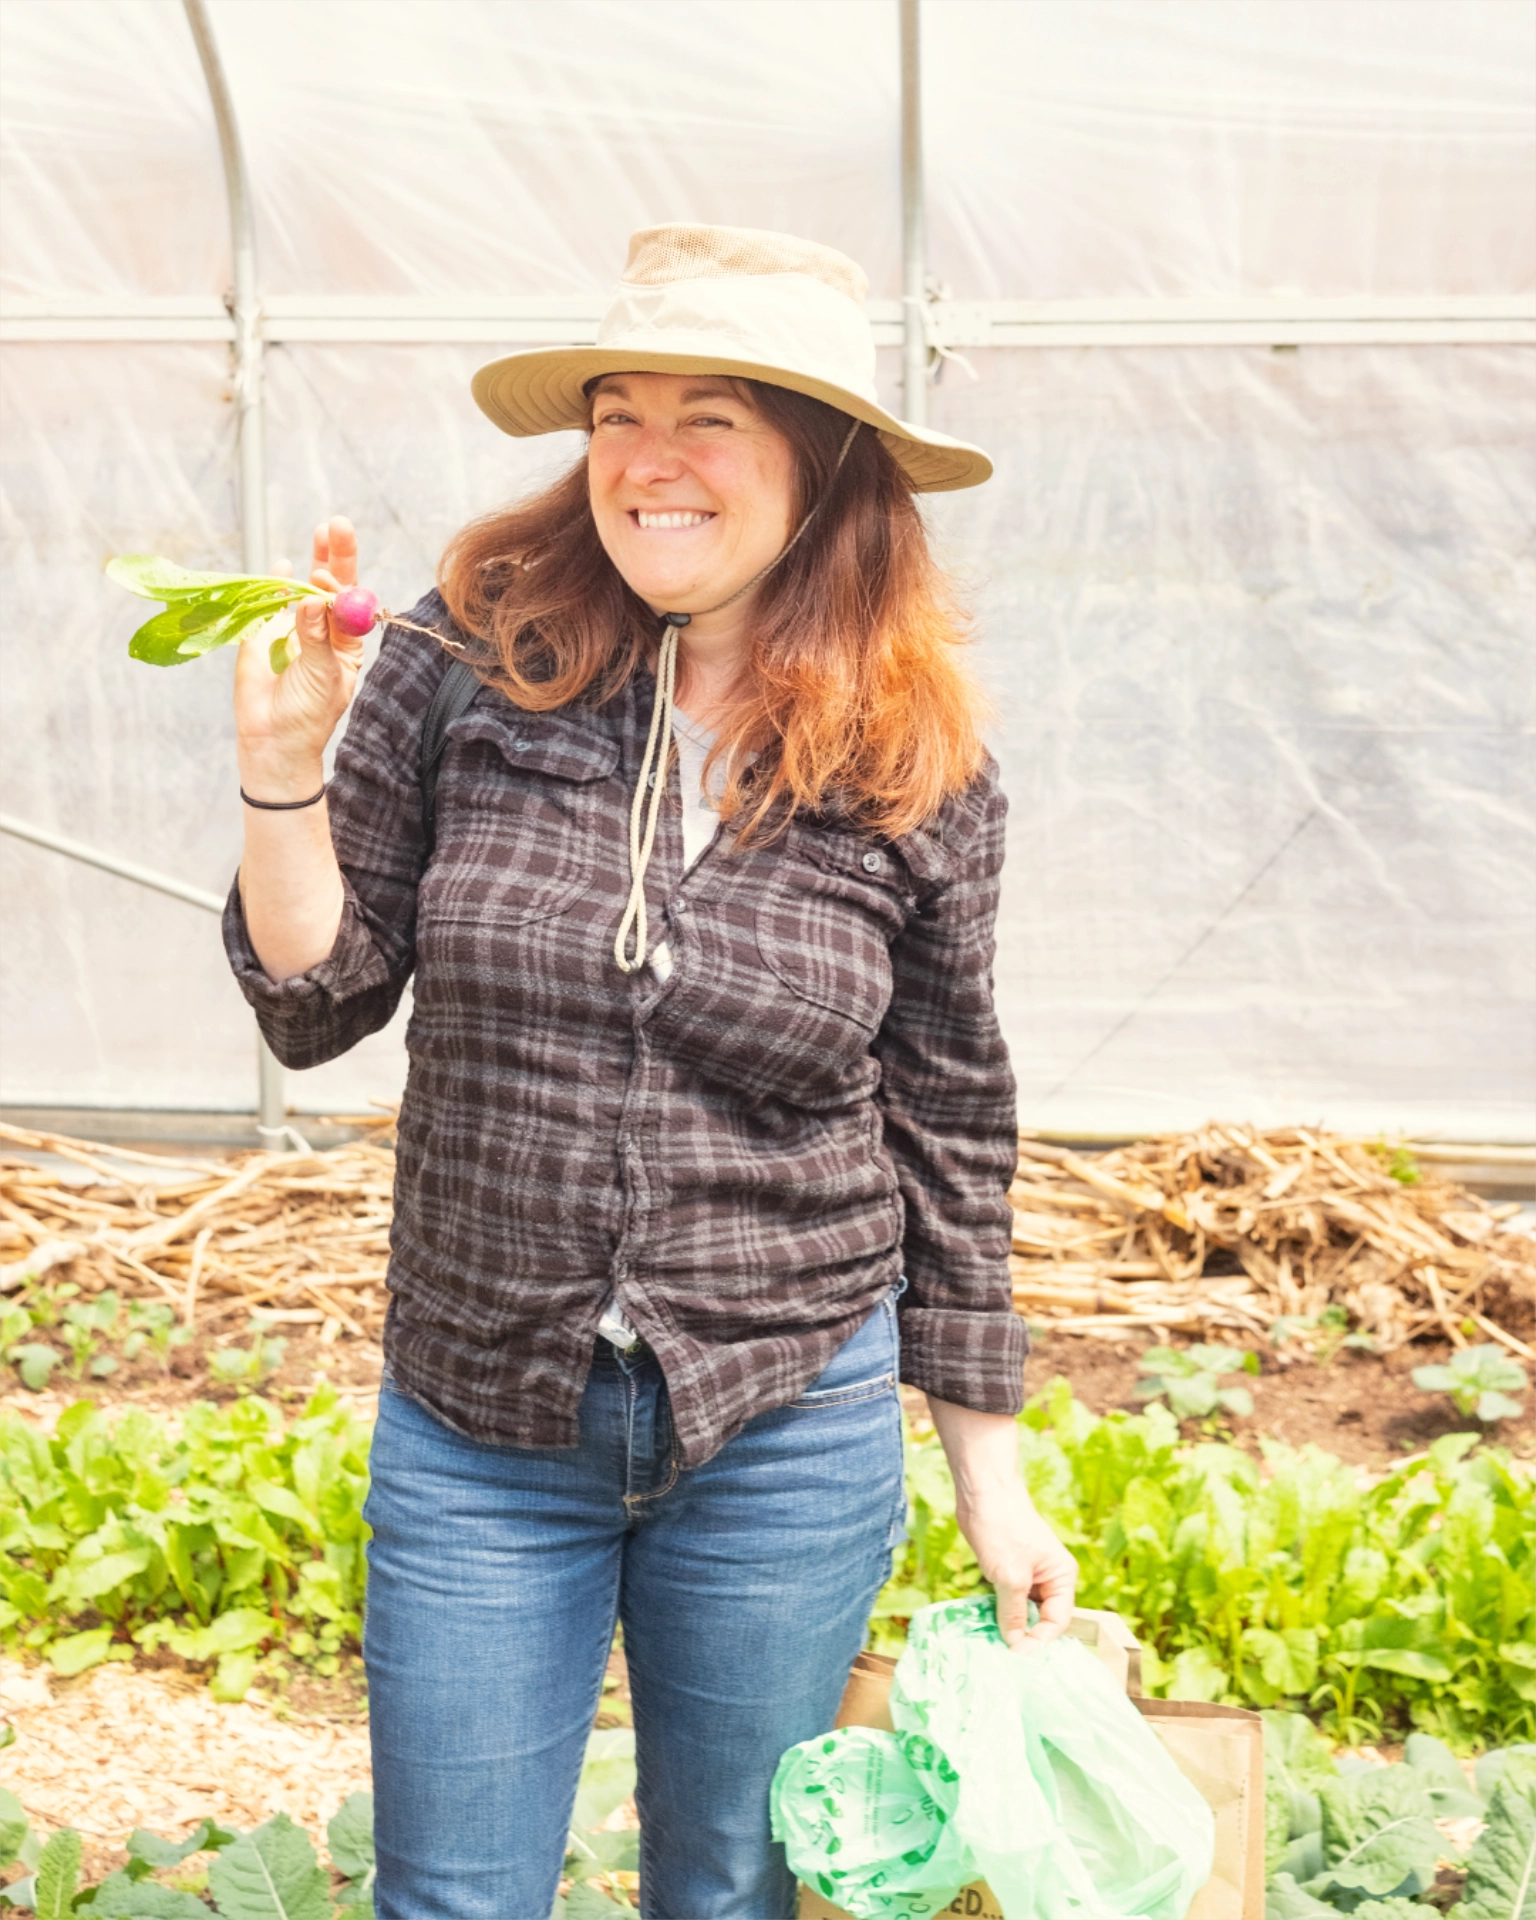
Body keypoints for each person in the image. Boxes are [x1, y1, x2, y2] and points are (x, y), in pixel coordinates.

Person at [226, 223, 1077, 1920]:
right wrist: (279, 778)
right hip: (481, 1410)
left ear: (821, 470)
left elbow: (950, 1120)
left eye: (712, 421)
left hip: (782, 1415)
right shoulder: (472, 655)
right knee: (453, 1897)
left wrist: (994, 1480)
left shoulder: (911, 759)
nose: (648, 463)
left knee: (729, 1889)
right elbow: (318, 1002)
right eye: (619, 414)